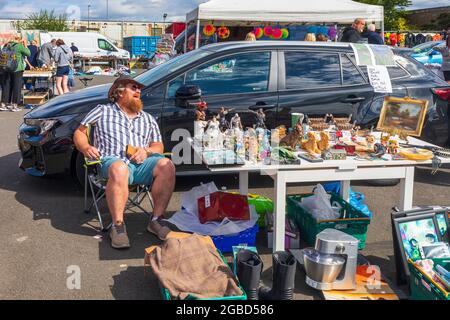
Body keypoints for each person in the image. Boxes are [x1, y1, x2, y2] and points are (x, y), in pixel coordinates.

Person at [73, 76, 176, 249]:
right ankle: (118, 225)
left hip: (142, 163)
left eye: (139, 89)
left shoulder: (147, 118)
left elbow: (158, 146)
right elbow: (79, 132)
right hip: (112, 163)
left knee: (167, 165)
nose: (138, 91)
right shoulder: (102, 111)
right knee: (120, 168)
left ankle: (157, 220)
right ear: (119, 92)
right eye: (133, 87)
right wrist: (85, 147)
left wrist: (146, 151)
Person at [0, 33, 30, 112]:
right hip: (17, 69)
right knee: (17, 86)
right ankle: (14, 105)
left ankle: (4, 104)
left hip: (6, 68)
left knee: (7, 86)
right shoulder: (19, 46)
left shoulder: (6, 45)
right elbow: (28, 53)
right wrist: (25, 44)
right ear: (19, 39)